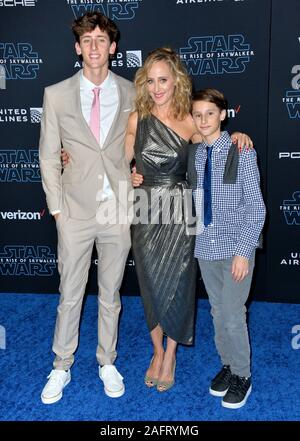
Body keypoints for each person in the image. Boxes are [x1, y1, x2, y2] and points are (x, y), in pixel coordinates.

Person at [126, 48, 253, 392]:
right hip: (145, 210)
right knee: (150, 286)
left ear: (176, 80)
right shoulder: (136, 118)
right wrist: (130, 177)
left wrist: (238, 136)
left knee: (179, 287)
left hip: (180, 213)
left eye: (163, 79)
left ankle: (170, 355)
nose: (156, 87)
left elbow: (216, 144)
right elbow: (118, 163)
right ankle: (155, 351)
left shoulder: (189, 119)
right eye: (150, 81)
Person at [39, 12, 135, 404]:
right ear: (78, 48)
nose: (94, 47)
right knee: (70, 293)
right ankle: (61, 365)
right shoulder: (56, 94)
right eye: (87, 40)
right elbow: (48, 156)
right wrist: (57, 211)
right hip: (74, 212)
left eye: (101, 40)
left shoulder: (132, 93)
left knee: (111, 293)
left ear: (113, 47)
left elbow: (148, 140)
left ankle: (107, 361)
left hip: (118, 209)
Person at [189, 88, 266, 409]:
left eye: (210, 113)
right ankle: (228, 365)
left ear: (223, 115)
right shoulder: (195, 154)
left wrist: (243, 252)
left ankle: (243, 375)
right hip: (206, 247)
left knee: (234, 315)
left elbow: (257, 208)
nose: (204, 120)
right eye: (198, 114)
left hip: (236, 248)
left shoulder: (241, 151)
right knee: (219, 312)